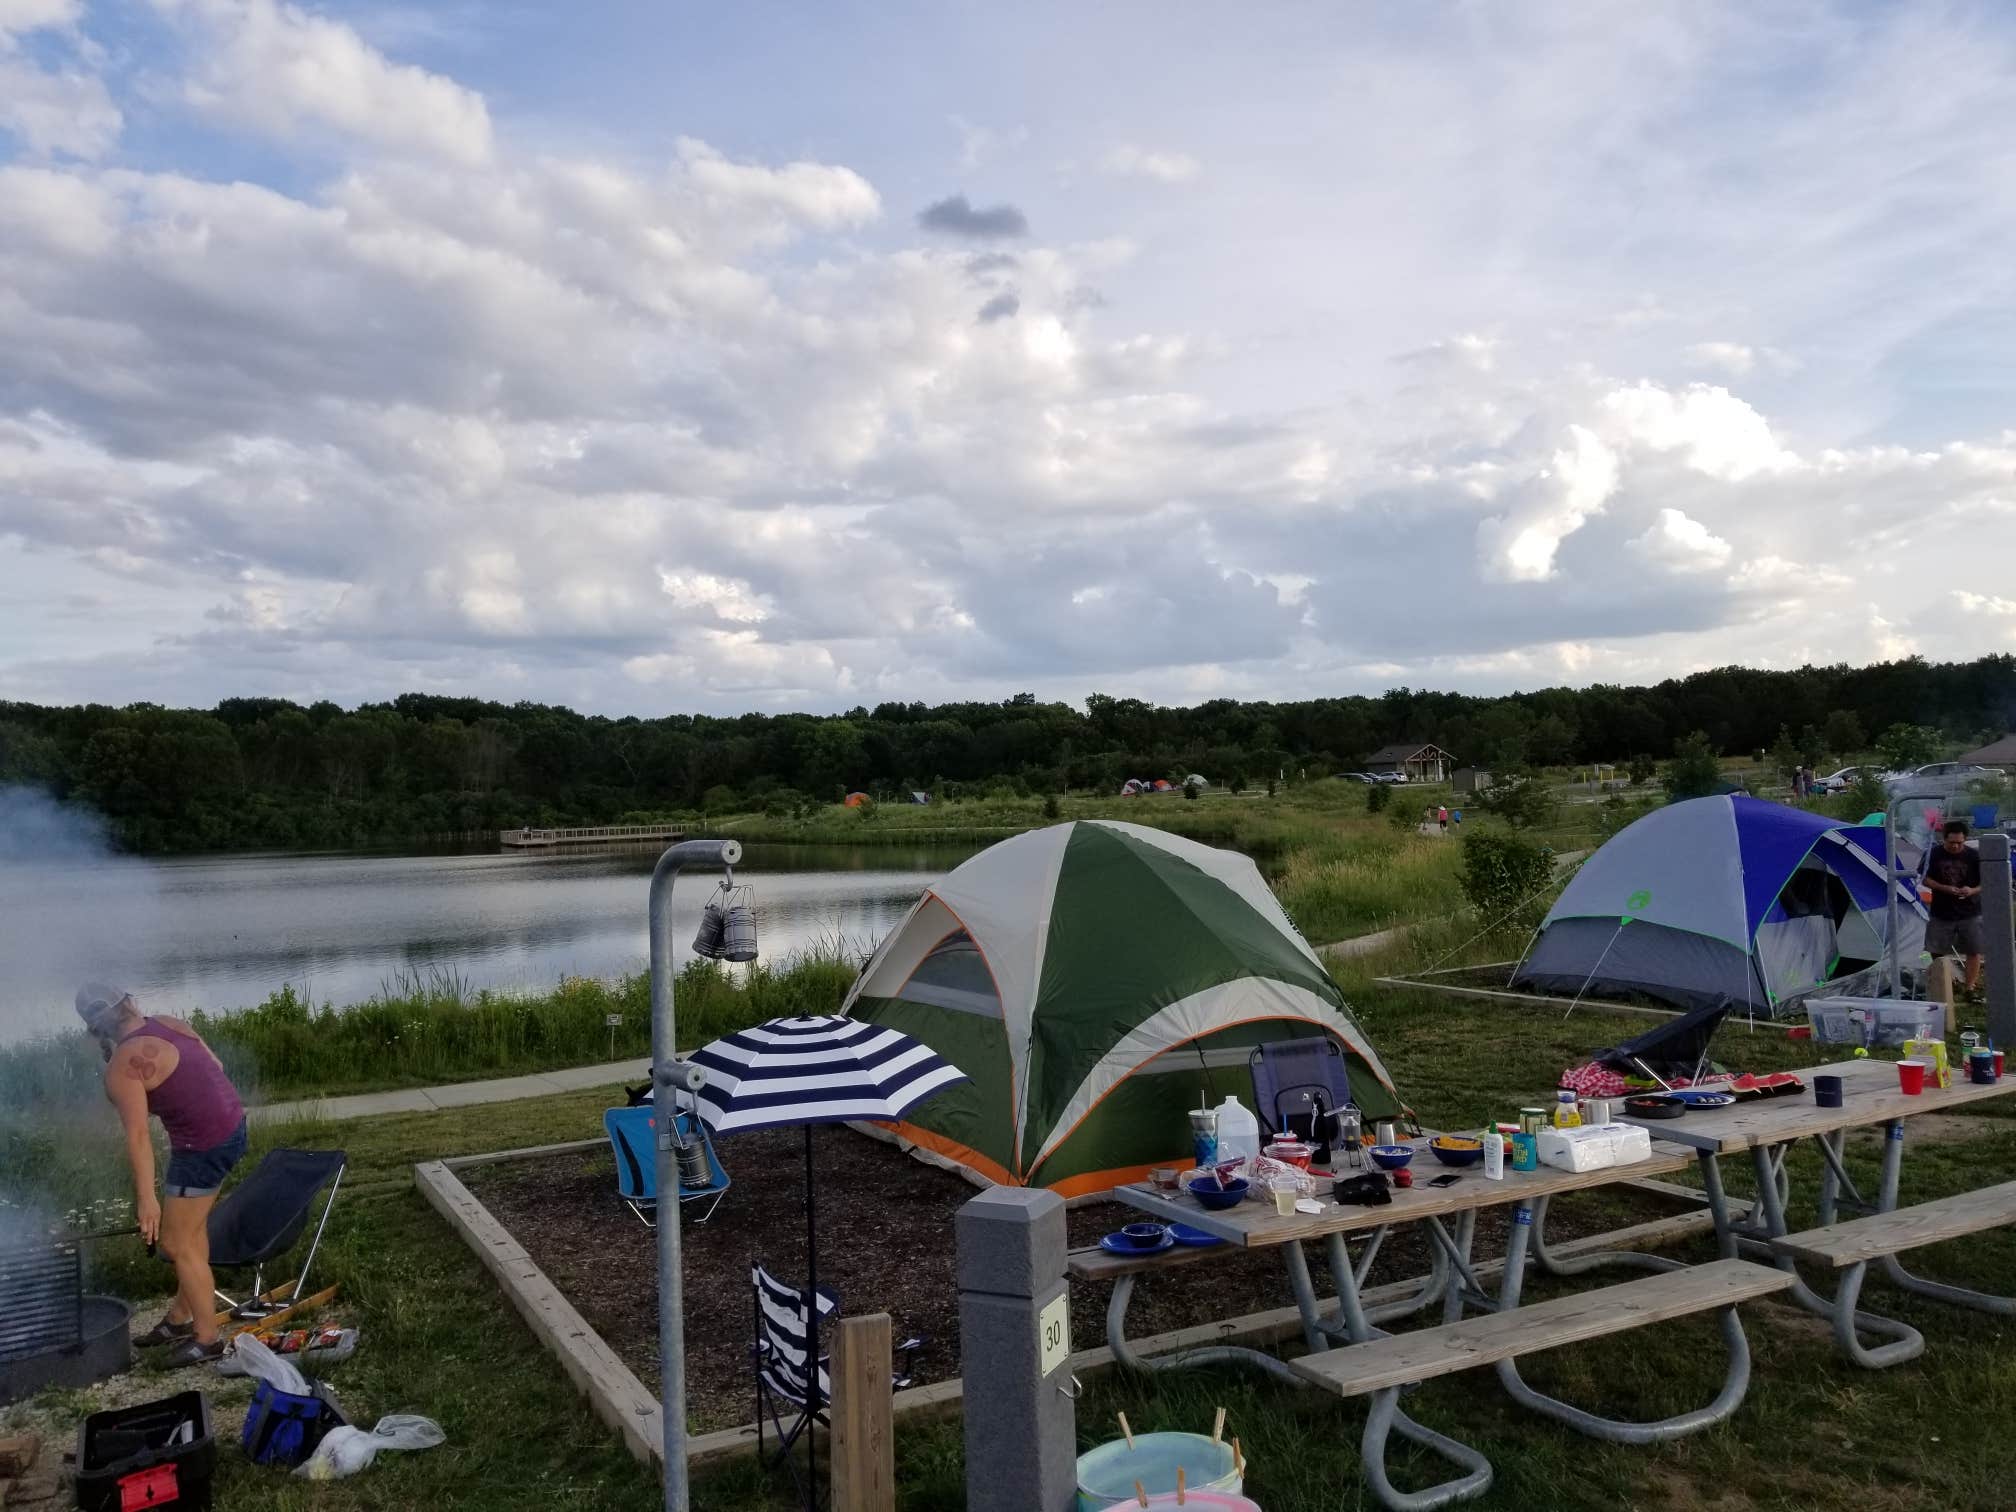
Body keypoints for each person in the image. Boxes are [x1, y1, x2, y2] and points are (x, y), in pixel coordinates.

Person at [75, 983, 248, 1365]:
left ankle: (207, 1339)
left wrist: (147, 1200)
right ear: (129, 1001)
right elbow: (215, 1068)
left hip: (202, 1148)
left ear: (95, 1028)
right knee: (191, 1230)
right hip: (233, 1127)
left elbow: (138, 1137)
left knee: (174, 1243)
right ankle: (180, 1316)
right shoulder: (170, 1023)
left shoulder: (122, 1067)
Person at [1921, 821, 1985, 1000]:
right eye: (1952, 843)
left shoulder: (1974, 856)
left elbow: (1986, 881)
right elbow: (1924, 879)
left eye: (1960, 843)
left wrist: (1971, 890)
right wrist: (1944, 888)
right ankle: (1945, 982)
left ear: (1965, 840)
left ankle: (1970, 988)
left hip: (1970, 910)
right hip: (1941, 911)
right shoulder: (1932, 854)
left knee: (1973, 949)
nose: (1956, 846)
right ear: (1944, 839)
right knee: (1936, 949)